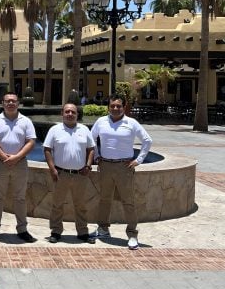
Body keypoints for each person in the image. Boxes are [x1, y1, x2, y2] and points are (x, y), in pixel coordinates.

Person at [90, 94, 152, 250]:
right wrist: (97, 156)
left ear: (124, 107)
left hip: (124, 168)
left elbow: (147, 140)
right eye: (112, 106)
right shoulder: (101, 122)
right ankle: (103, 229)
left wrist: (138, 160)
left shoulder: (131, 123)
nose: (115, 109)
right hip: (105, 166)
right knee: (104, 199)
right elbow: (91, 139)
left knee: (128, 202)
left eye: (118, 106)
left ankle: (132, 234)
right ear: (108, 107)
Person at [0, 93, 37, 243]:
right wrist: (3, 156)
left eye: (13, 101)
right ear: (3, 103)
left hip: (20, 164)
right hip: (0, 164)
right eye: (7, 101)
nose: (10, 103)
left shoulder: (26, 121)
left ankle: (22, 229)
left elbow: (31, 141)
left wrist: (16, 157)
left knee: (20, 198)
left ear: (18, 103)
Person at [43, 103, 95, 244]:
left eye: (73, 112)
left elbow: (91, 149)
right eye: (67, 111)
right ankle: (56, 231)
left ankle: (83, 232)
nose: (70, 114)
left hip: (80, 174)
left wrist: (88, 166)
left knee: (81, 205)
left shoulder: (84, 129)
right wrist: (52, 168)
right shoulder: (55, 129)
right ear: (62, 113)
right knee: (57, 204)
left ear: (77, 114)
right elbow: (47, 149)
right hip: (61, 174)